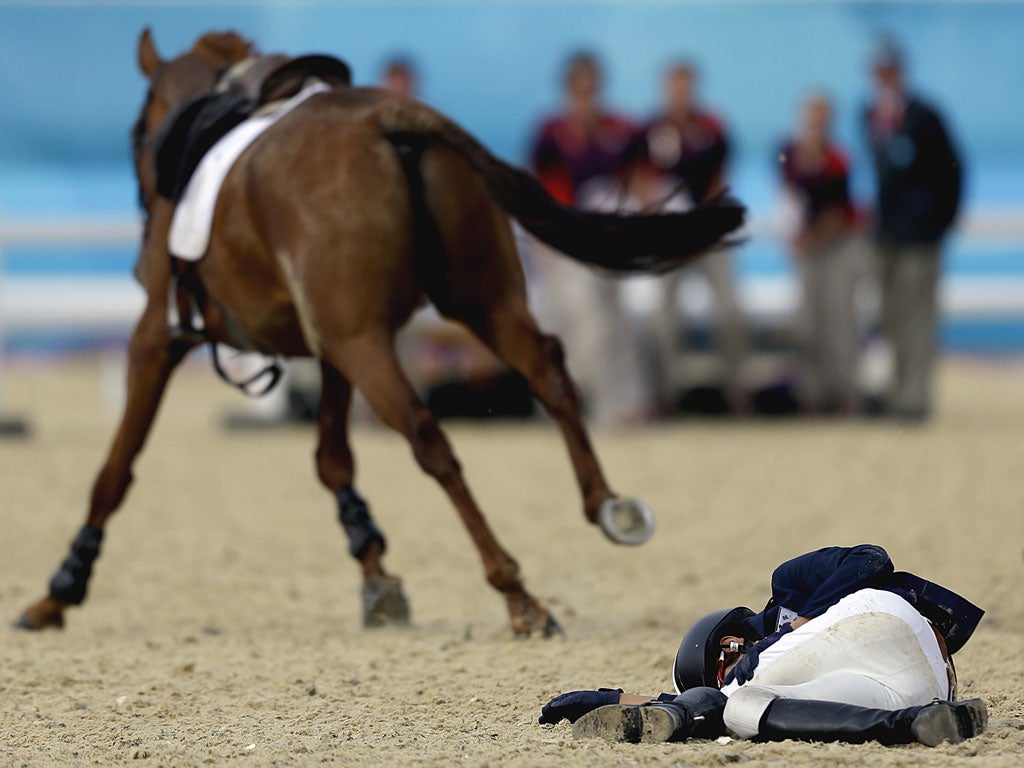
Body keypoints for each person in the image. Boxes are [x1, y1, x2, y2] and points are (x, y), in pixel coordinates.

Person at [539, 544, 986, 747]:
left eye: (724, 666)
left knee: (728, 700)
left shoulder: (787, 586)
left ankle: (672, 711)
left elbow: (870, 558)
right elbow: (734, 696)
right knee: (741, 709)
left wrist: (804, 621)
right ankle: (915, 725)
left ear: (729, 642)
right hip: (924, 689)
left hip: (878, 617)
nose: (731, 671)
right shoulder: (781, 668)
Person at [528, 53, 648, 425]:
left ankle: (623, 402)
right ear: (568, 89)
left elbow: (639, 179)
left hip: (608, 238)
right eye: (578, 86)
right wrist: (540, 235)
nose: (585, 93)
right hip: (565, 237)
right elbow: (539, 185)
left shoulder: (620, 128)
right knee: (575, 322)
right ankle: (572, 403)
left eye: (591, 86)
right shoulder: (551, 132)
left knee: (614, 320)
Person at [635, 62, 748, 411]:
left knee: (729, 309)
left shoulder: (711, 126)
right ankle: (667, 393)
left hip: (706, 229)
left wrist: (709, 214)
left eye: (686, 85)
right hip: (670, 233)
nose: (680, 92)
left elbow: (722, 175)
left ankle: (736, 390)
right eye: (674, 85)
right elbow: (639, 177)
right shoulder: (651, 129)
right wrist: (655, 206)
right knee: (665, 315)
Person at [864, 38, 962, 421]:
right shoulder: (870, 115)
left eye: (891, 71)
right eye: (880, 71)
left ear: (902, 73)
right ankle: (895, 388)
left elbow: (953, 170)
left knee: (918, 315)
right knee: (890, 315)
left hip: (921, 235)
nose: (885, 78)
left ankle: (916, 396)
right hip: (886, 233)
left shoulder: (926, 116)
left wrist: (940, 222)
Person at [780, 93, 864, 414]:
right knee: (808, 321)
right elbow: (787, 196)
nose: (816, 122)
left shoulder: (838, 159)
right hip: (807, 247)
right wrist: (795, 236)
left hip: (836, 245)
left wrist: (812, 238)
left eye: (822, 116)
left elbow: (840, 212)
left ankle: (844, 394)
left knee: (838, 319)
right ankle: (811, 395)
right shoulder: (789, 153)